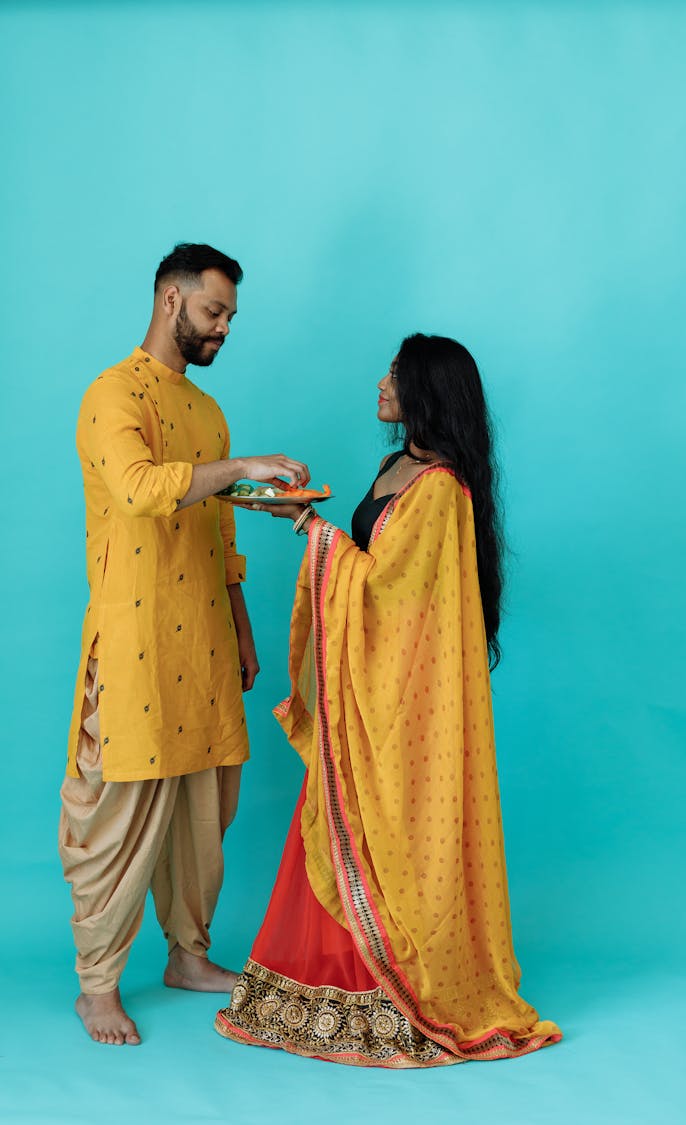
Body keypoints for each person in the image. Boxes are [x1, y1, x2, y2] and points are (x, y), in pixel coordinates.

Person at [216, 333, 561, 1067]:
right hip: (364, 694)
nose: (380, 383)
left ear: (425, 390)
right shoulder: (393, 466)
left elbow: (390, 592)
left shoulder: (439, 488)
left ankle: (392, 990)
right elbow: (372, 570)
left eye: (394, 375)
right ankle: (327, 983)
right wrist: (313, 526)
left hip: (408, 707)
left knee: (398, 836)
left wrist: (312, 529)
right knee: (339, 819)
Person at [60, 242, 310, 1046]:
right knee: (122, 808)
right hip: (134, 636)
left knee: (208, 801)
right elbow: (137, 489)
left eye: (230, 315)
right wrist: (237, 464)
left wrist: (240, 623)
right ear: (172, 301)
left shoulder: (206, 412)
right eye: (214, 312)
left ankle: (188, 954)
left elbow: (217, 520)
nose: (224, 328)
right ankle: (98, 986)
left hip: (202, 632)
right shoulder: (111, 396)